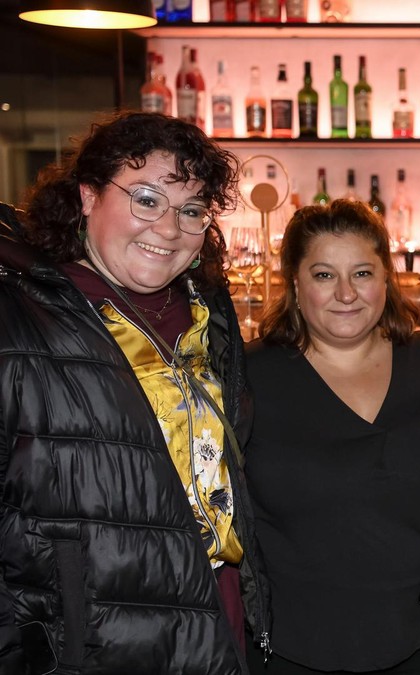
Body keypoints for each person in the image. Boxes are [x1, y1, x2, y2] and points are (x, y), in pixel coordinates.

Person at [0, 111, 264, 673]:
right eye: (146, 199)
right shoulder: (20, 318)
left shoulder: (207, 314)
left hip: (220, 618)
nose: (169, 228)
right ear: (89, 195)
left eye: (191, 210)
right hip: (93, 643)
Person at [244, 199, 420, 674]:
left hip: (413, 645)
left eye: (362, 273)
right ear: (295, 285)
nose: (346, 293)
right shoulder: (249, 377)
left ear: (387, 278)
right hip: (289, 652)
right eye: (324, 275)